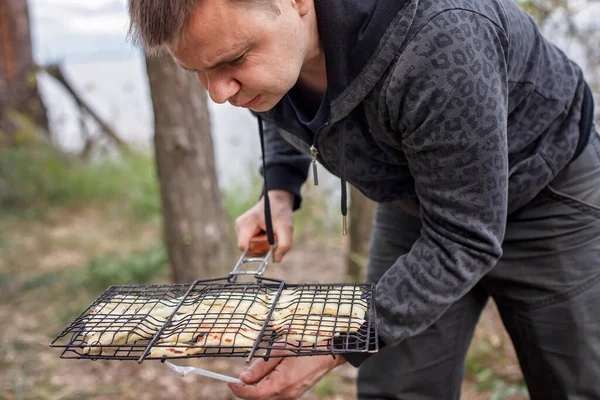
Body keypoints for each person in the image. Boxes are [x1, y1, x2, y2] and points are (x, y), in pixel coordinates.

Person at [127, 0, 599, 398]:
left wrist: (332, 341)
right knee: (395, 387)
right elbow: (275, 98)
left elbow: (465, 240)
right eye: (199, 71)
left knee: (575, 382)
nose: (219, 93)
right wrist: (279, 190)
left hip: (545, 191)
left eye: (233, 60)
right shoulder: (272, 52)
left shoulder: (441, 40)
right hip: (415, 196)